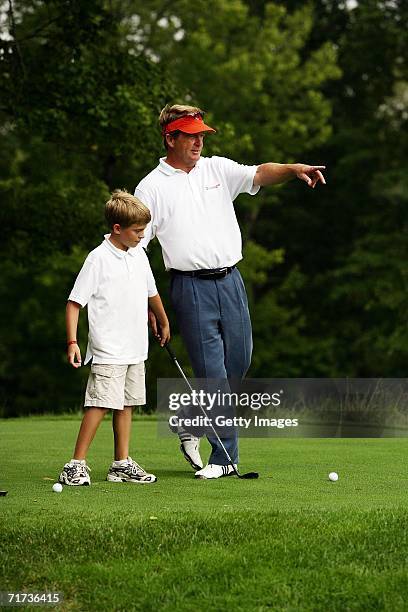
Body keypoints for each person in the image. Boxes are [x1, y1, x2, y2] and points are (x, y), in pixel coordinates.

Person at [135, 104, 325, 479]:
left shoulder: (216, 168)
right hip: (189, 288)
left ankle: (190, 421)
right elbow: (137, 246)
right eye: (190, 135)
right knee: (212, 376)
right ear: (170, 137)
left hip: (231, 281)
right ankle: (225, 458)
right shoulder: (151, 187)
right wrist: (148, 303)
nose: (198, 142)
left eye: (202, 135)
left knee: (239, 363)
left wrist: (292, 169)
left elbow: (258, 173)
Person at [58, 190, 170, 486]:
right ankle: (75, 464)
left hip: (136, 346)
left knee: (127, 404)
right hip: (109, 347)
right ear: (117, 229)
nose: (141, 236)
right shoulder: (98, 259)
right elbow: (74, 303)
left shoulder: (139, 254)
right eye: (137, 231)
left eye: (144, 230)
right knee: (100, 403)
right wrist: (72, 342)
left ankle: (121, 463)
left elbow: (151, 291)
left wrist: (163, 317)